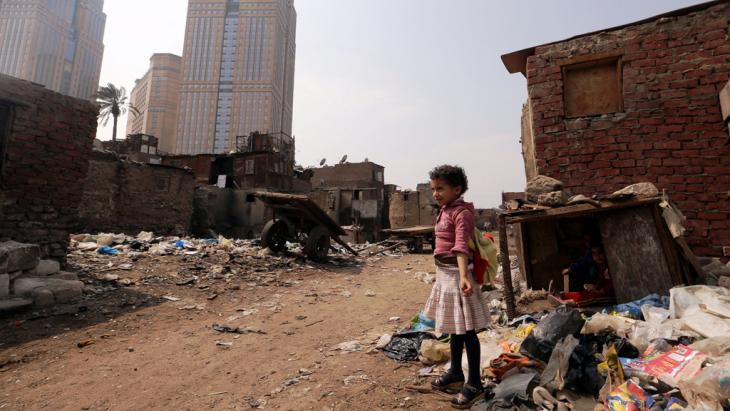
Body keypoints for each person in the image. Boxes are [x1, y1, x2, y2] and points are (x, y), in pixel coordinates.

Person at [423, 165, 490, 409]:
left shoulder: (461, 213)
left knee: (468, 331)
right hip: (445, 274)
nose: (435, 193)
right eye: (433, 189)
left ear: (457, 189)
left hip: (458, 275)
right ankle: (455, 372)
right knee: (454, 328)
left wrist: (463, 277)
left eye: (440, 188)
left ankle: (474, 383)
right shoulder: (444, 211)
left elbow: (461, 246)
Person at [550, 243, 616, 307]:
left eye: (600, 252)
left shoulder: (612, 265)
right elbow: (603, 280)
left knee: (593, 297)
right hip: (603, 291)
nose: (597, 256)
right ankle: (562, 295)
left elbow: (613, 284)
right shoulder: (601, 266)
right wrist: (596, 287)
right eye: (594, 253)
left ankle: (568, 303)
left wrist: (602, 290)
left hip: (612, 296)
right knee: (585, 292)